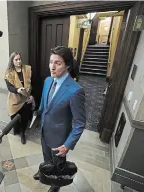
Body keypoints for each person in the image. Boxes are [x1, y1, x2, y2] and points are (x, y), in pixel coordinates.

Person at [33, 46, 86, 192]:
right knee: (47, 159)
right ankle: (45, 172)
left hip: (60, 140)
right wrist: (37, 111)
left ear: (67, 65)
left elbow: (80, 123)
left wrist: (68, 145)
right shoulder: (48, 81)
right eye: (51, 62)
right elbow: (45, 105)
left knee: (58, 167)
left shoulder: (75, 91)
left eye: (58, 63)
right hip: (45, 131)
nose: (52, 66)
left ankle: (55, 186)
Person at [4, 52, 35, 144]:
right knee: (15, 119)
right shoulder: (9, 73)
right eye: (16, 59)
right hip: (14, 100)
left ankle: (22, 133)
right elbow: (9, 87)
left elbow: (34, 84)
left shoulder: (28, 69)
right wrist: (17, 90)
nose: (18, 61)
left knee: (25, 119)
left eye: (19, 59)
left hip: (26, 100)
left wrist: (32, 96)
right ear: (12, 61)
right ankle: (17, 131)